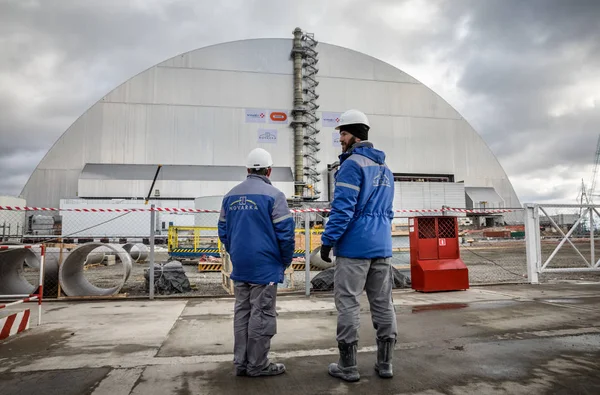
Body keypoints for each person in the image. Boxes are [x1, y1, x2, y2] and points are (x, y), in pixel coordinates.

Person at [320, 109, 397, 382]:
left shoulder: (351, 165)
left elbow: (343, 210)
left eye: (342, 133)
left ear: (354, 134)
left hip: (354, 248)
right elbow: (388, 211)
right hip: (382, 246)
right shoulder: (386, 169)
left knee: (349, 304)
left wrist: (328, 241)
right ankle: (385, 364)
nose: (340, 139)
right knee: (383, 304)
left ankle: (348, 366)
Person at [218, 148, 295, 377]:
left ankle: (241, 363)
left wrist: (236, 252)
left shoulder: (230, 195)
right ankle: (258, 365)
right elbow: (286, 234)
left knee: (242, 312)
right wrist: (284, 260)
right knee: (261, 313)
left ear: (248, 169)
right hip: (265, 266)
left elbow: (223, 231)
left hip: (241, 264)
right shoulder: (274, 196)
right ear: (269, 170)